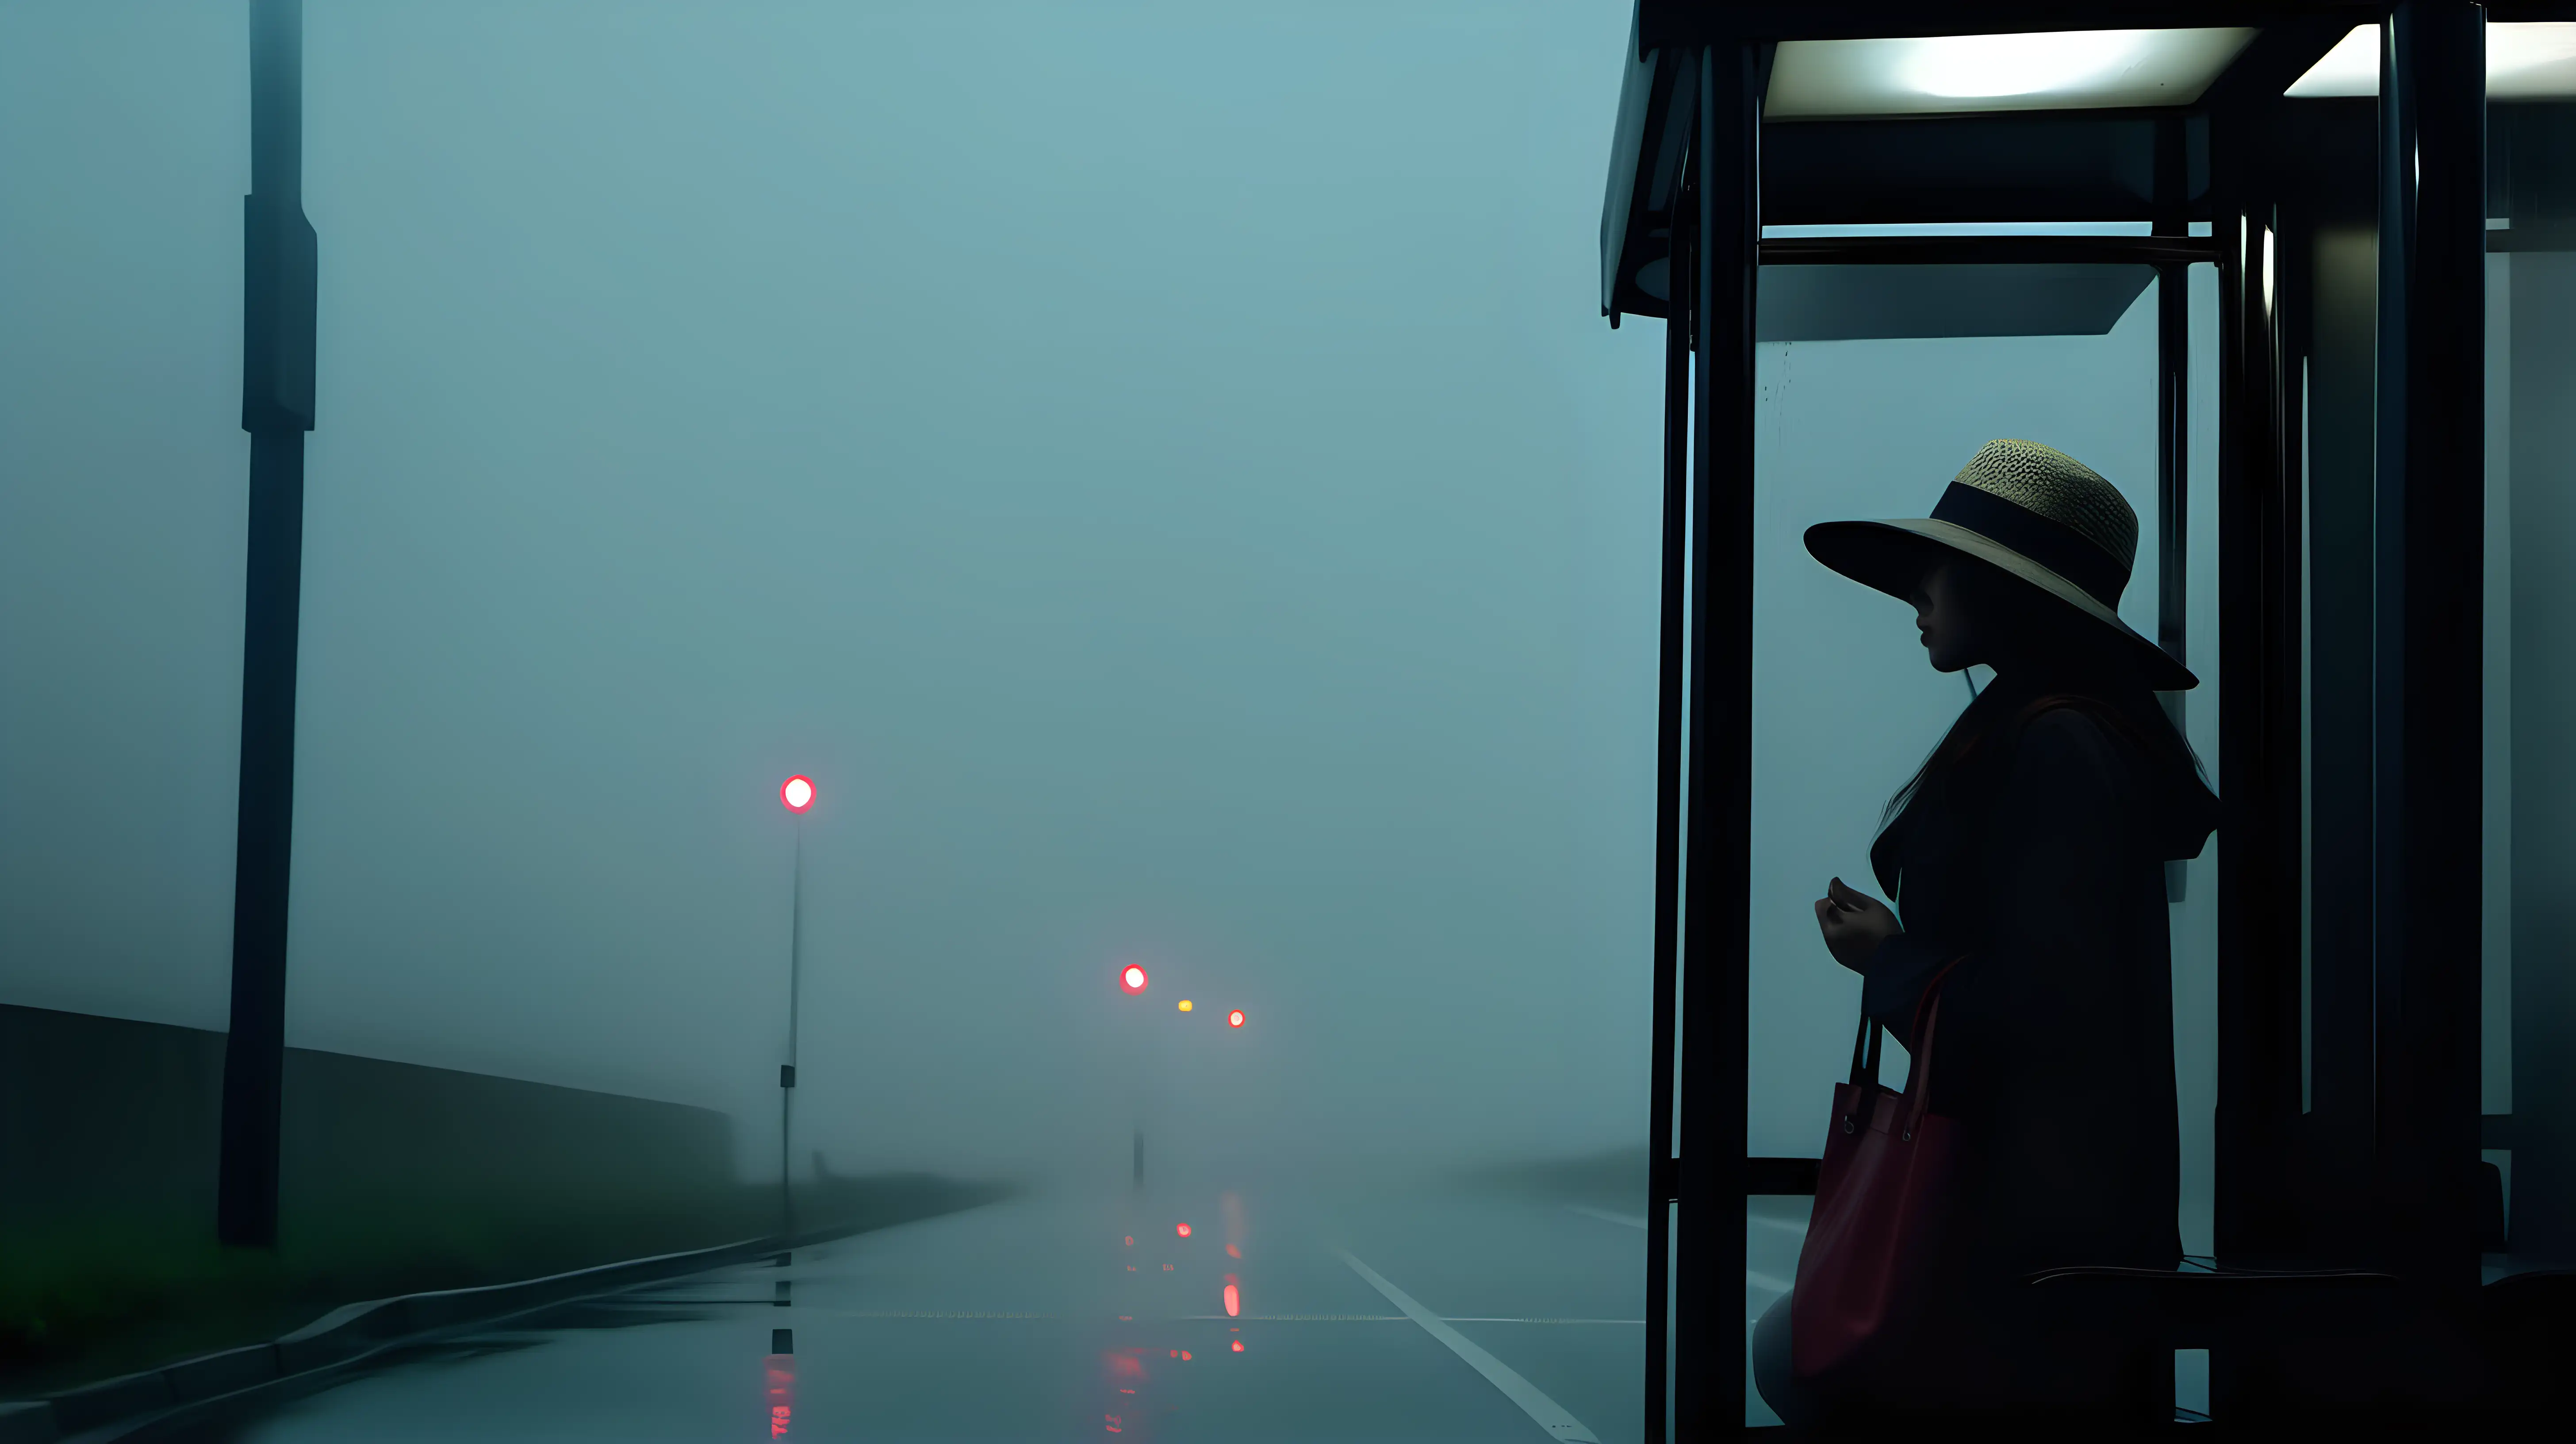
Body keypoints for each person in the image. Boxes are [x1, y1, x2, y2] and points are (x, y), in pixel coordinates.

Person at [1751, 439, 2220, 1429]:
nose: (1915, 595)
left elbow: (2046, 1013)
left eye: (1938, 570)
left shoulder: (2055, 744)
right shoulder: (2063, 735)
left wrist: (1888, 960)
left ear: (2006, 592)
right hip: (2052, 1219)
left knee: (1799, 1356)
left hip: (2022, 1231)